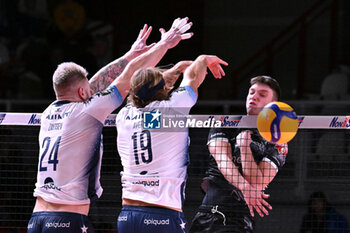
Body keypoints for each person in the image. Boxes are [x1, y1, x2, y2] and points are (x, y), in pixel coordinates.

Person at [27, 17, 193, 233]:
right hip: (66, 219)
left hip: (37, 217)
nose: (92, 91)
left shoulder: (49, 113)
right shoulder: (86, 110)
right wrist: (165, 44)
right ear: (82, 92)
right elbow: (126, 79)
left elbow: (94, 85)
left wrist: (128, 56)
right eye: (87, 90)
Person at [115, 54, 228, 233]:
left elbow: (145, 91)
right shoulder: (172, 110)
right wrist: (203, 59)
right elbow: (193, 77)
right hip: (162, 215)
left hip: (127, 215)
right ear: (163, 89)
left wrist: (173, 71)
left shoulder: (123, 116)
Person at [190, 76, 288, 233]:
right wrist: (245, 187)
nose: (254, 97)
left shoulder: (277, 140)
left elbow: (258, 183)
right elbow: (223, 161)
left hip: (240, 220)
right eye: (251, 92)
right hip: (208, 214)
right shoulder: (226, 123)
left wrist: (244, 147)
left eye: (262, 95)